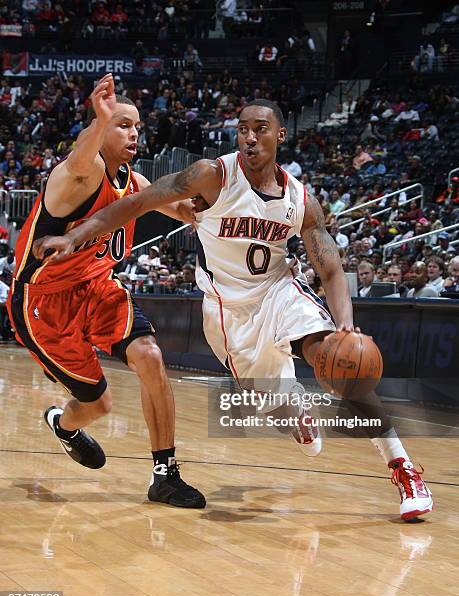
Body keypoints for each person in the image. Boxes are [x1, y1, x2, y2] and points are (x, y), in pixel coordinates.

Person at [33, 99, 433, 521]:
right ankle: (294, 410)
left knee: (341, 364)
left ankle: (403, 468)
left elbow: (331, 269)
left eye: (260, 129)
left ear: (279, 135)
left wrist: (345, 329)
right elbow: (140, 201)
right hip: (229, 316)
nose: (249, 137)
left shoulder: (300, 200)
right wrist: (76, 235)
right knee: (274, 408)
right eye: (242, 129)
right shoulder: (213, 175)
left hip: (279, 293)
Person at [8, 75, 205, 509]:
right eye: (122, 125)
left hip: (98, 289)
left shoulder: (132, 183)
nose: (133, 133)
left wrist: (207, 209)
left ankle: (165, 474)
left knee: (151, 357)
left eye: (136, 126)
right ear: (100, 127)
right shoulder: (80, 175)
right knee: (98, 405)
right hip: (45, 303)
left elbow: (180, 208)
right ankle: (65, 424)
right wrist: (97, 122)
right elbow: (80, 157)